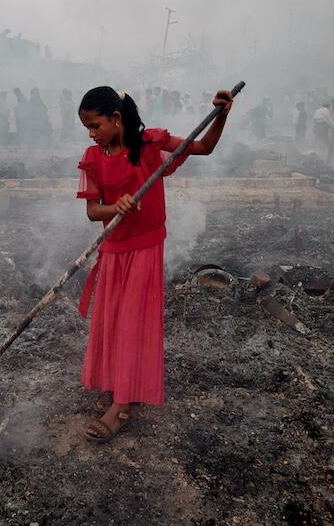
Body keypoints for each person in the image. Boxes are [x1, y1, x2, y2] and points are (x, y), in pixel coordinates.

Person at [75, 86, 233, 442]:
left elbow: (204, 147)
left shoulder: (149, 147)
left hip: (146, 248)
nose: (91, 133)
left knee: (132, 321)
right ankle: (118, 381)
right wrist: (114, 207)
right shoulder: (92, 157)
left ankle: (122, 406)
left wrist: (221, 114)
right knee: (113, 320)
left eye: (95, 125)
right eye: (86, 127)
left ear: (116, 119)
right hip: (114, 250)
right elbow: (91, 211)